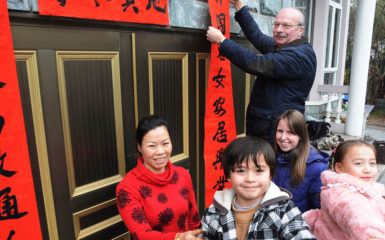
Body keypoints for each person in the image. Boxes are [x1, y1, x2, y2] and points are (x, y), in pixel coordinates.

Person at [206, 0, 316, 144]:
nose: (279, 29)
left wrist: (222, 41)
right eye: (276, 24)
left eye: (286, 25)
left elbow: (254, 63)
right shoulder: (285, 46)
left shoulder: (297, 56)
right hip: (268, 124)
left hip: (277, 130)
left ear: (300, 30)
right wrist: (239, 6)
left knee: (268, 165)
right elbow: (257, 36)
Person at [201, 136, 315, 240]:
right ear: (228, 175)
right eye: (241, 171)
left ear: (271, 175)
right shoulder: (214, 212)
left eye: (259, 170)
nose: (250, 179)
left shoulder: (284, 210)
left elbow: (301, 234)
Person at [116, 115, 203, 240]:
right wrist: (179, 237)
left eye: (165, 143)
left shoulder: (183, 174)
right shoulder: (127, 187)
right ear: (140, 147)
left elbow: (194, 217)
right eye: (152, 146)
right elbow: (141, 234)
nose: (161, 151)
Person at [303, 140, 385, 240]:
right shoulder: (339, 192)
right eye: (359, 163)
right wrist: (371, 236)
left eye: (372, 163)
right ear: (339, 168)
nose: (367, 169)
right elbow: (356, 213)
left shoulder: (371, 187)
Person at [273, 109, 329, 213]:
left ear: (301, 136)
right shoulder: (272, 157)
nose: (283, 137)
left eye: (290, 132)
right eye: (280, 131)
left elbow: (319, 209)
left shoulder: (317, 167)